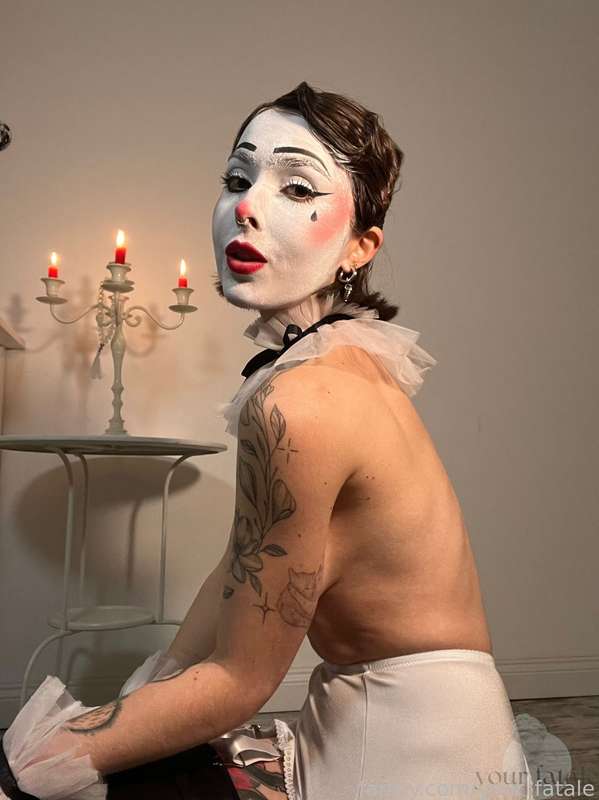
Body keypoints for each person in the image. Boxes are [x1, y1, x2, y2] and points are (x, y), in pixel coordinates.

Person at [0, 82, 533, 800]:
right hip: (418, 726)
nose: (246, 206)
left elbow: (239, 682)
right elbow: (240, 565)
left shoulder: (303, 402)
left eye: (297, 187)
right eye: (236, 179)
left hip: (413, 757)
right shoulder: (337, 365)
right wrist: (139, 696)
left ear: (359, 246)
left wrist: (30, 768)